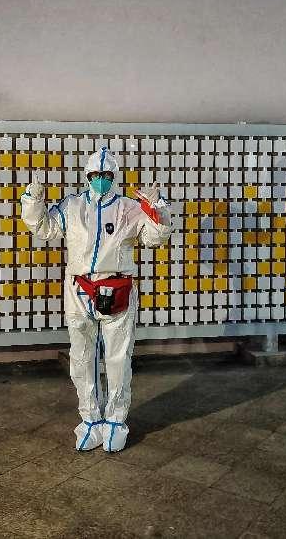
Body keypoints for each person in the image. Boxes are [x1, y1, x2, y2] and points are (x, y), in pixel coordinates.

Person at [20, 147, 174, 452]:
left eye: (105, 174)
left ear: (113, 176)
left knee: (118, 359)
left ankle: (116, 420)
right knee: (82, 358)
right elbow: (43, 228)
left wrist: (157, 207)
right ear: (87, 175)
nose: (100, 179)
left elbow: (155, 238)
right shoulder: (72, 206)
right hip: (79, 290)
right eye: (95, 174)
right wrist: (34, 198)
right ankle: (89, 419)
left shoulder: (130, 208)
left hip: (116, 289)